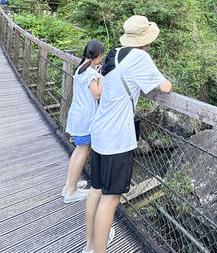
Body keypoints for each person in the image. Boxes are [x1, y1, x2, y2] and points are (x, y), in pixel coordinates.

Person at [83, 15, 172, 253]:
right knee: (111, 199)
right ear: (145, 39)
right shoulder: (141, 57)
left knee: (96, 190)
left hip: (100, 130)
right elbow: (164, 87)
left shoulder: (113, 53)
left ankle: (90, 245)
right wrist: (168, 81)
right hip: (117, 138)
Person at [62, 40, 105, 203]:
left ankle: (69, 185)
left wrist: (96, 73)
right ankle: (71, 192)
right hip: (85, 119)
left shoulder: (80, 69)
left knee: (78, 150)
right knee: (83, 151)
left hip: (77, 115)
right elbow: (97, 94)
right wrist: (101, 76)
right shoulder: (90, 74)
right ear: (99, 56)